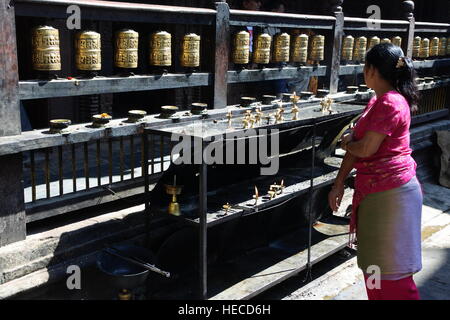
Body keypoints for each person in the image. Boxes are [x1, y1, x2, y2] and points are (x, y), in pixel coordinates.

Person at [328, 43, 423, 300]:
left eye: (364, 66)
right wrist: (338, 183)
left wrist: (346, 141)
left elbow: (366, 148)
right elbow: (357, 150)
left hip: (392, 195)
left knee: (392, 272)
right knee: (374, 266)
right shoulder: (376, 102)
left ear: (371, 70)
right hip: (376, 192)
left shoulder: (391, 102)